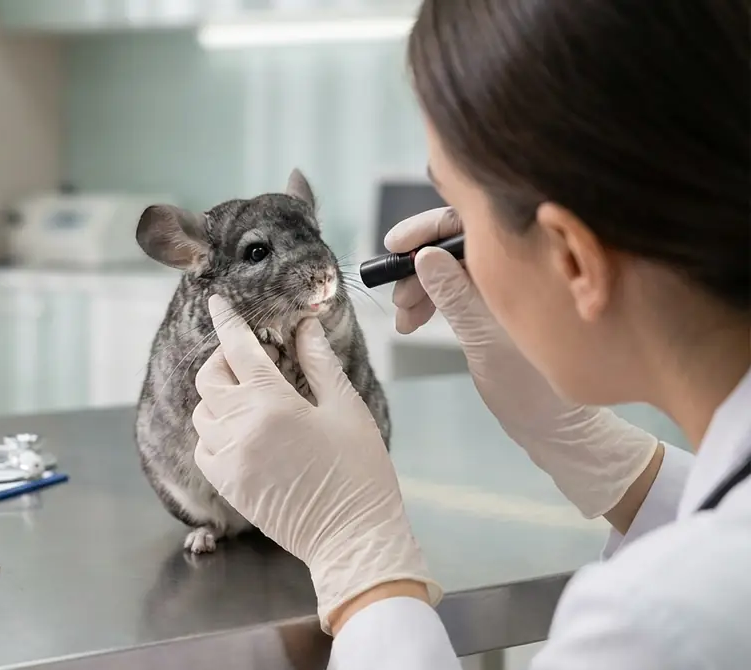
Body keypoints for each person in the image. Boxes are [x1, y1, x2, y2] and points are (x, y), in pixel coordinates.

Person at [189, 1, 750, 667]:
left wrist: (363, 563)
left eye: (463, 220)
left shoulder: (652, 629)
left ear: (572, 259)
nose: (456, 251)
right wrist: (618, 467)